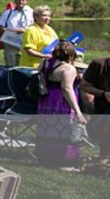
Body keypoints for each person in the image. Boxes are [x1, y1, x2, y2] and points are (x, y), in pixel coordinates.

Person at [34, 40, 87, 168]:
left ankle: (45, 157)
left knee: (47, 129)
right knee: (63, 130)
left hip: (45, 100)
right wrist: (78, 111)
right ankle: (63, 160)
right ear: (71, 54)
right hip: (61, 102)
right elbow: (66, 89)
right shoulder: (68, 69)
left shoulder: (45, 62)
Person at [0, 0, 33, 67]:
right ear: (15, 1)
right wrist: (12, 30)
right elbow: (0, 27)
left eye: (23, 0)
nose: (21, 2)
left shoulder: (31, 13)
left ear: (26, 1)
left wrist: (24, 30)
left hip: (26, 42)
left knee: (25, 66)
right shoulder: (8, 13)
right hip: (10, 42)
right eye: (19, 0)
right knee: (11, 66)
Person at [20, 5, 59, 69]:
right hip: (32, 67)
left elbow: (56, 43)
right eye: (44, 15)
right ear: (36, 17)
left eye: (49, 16)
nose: (47, 18)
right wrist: (44, 56)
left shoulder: (49, 29)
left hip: (48, 66)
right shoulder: (31, 30)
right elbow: (29, 50)